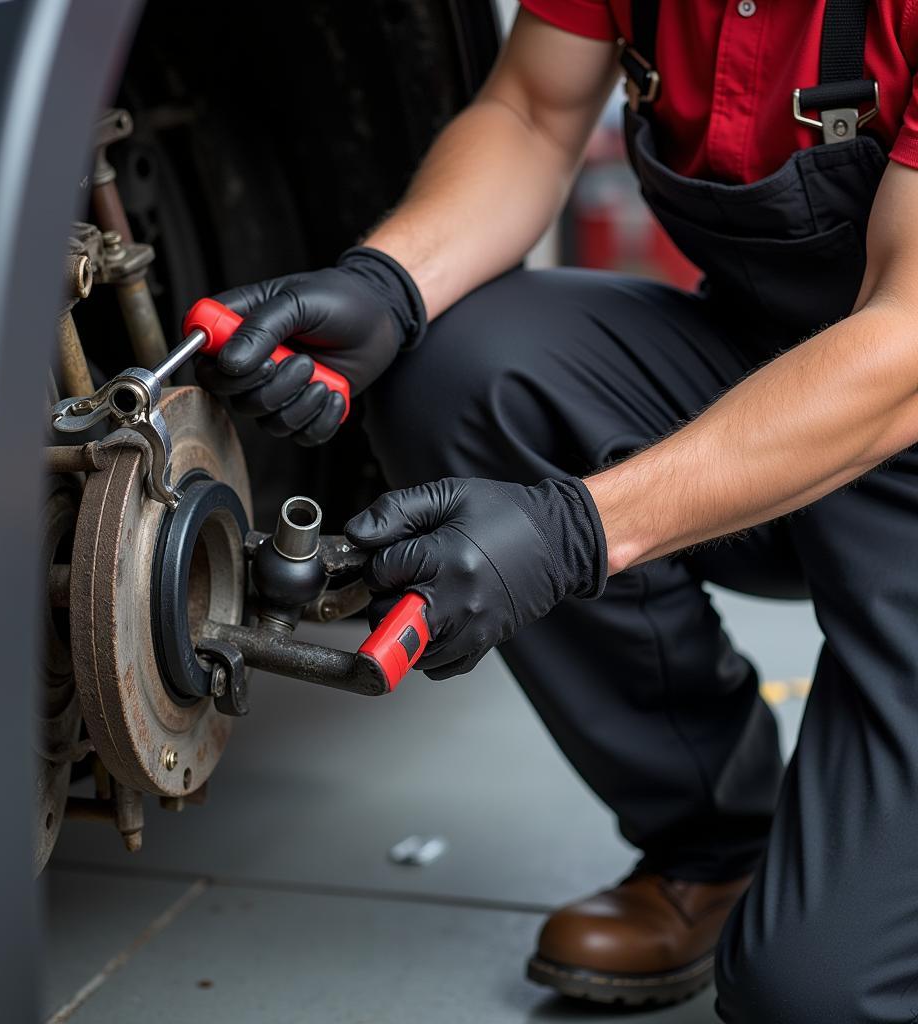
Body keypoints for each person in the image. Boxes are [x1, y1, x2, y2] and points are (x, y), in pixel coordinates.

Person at [196, 2, 918, 1019]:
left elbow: (904, 345)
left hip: (899, 386)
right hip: (774, 382)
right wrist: (389, 284)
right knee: (455, 369)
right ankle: (717, 842)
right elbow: (533, 110)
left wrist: (577, 528)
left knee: (818, 992)